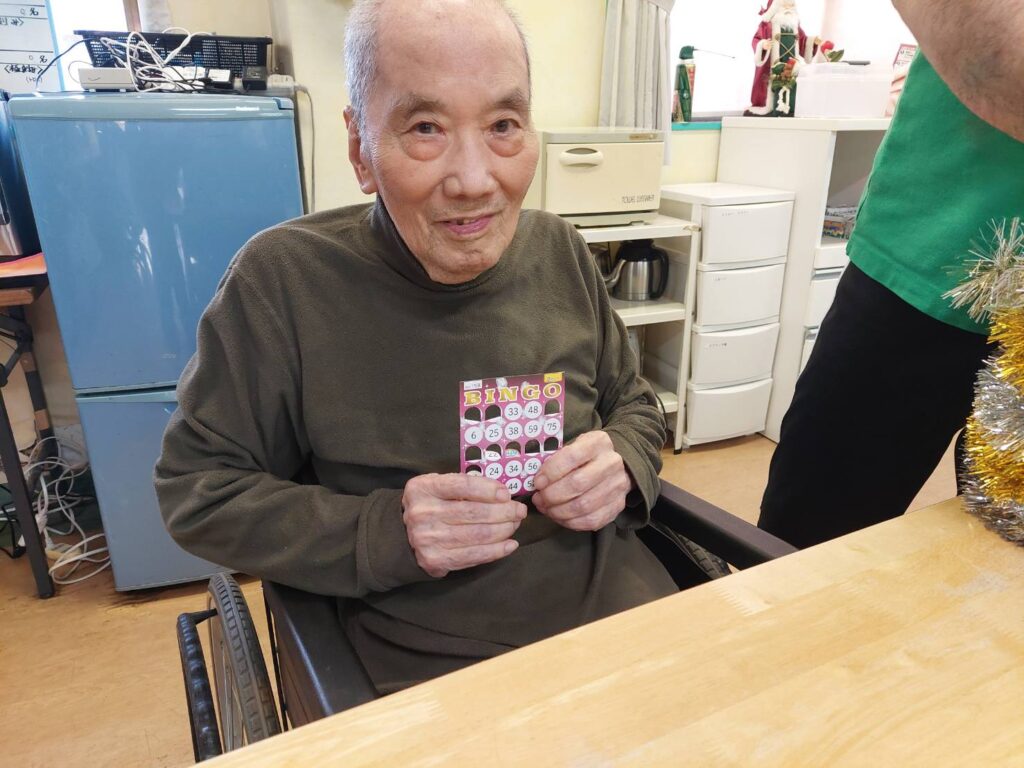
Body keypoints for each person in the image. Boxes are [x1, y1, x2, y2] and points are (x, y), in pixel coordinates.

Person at [155, 0, 677, 695]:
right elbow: (198, 491)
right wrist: (384, 533)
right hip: (424, 664)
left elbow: (634, 404)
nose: (474, 180)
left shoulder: (561, 251)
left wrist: (623, 460)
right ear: (359, 149)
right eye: (426, 128)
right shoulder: (283, 282)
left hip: (626, 621)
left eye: (503, 126)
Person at [758, 0, 1024, 548]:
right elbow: (1006, 66)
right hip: (932, 253)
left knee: (1004, 565)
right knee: (807, 552)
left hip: (931, 238)